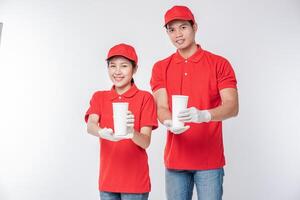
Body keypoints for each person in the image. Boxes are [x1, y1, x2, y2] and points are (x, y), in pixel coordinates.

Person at [150, 5, 239, 200]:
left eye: (183, 27)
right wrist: (168, 122)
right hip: (175, 162)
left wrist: (205, 115)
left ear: (195, 27)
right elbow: (161, 107)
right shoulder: (160, 68)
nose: (177, 34)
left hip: (209, 161)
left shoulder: (219, 64)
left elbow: (232, 106)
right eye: (171, 29)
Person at [85, 43, 157, 200]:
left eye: (124, 66)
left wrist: (131, 132)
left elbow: (145, 142)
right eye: (113, 66)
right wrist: (101, 132)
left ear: (135, 69)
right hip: (107, 183)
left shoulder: (145, 98)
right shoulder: (100, 97)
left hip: (135, 184)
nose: (117, 71)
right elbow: (91, 125)